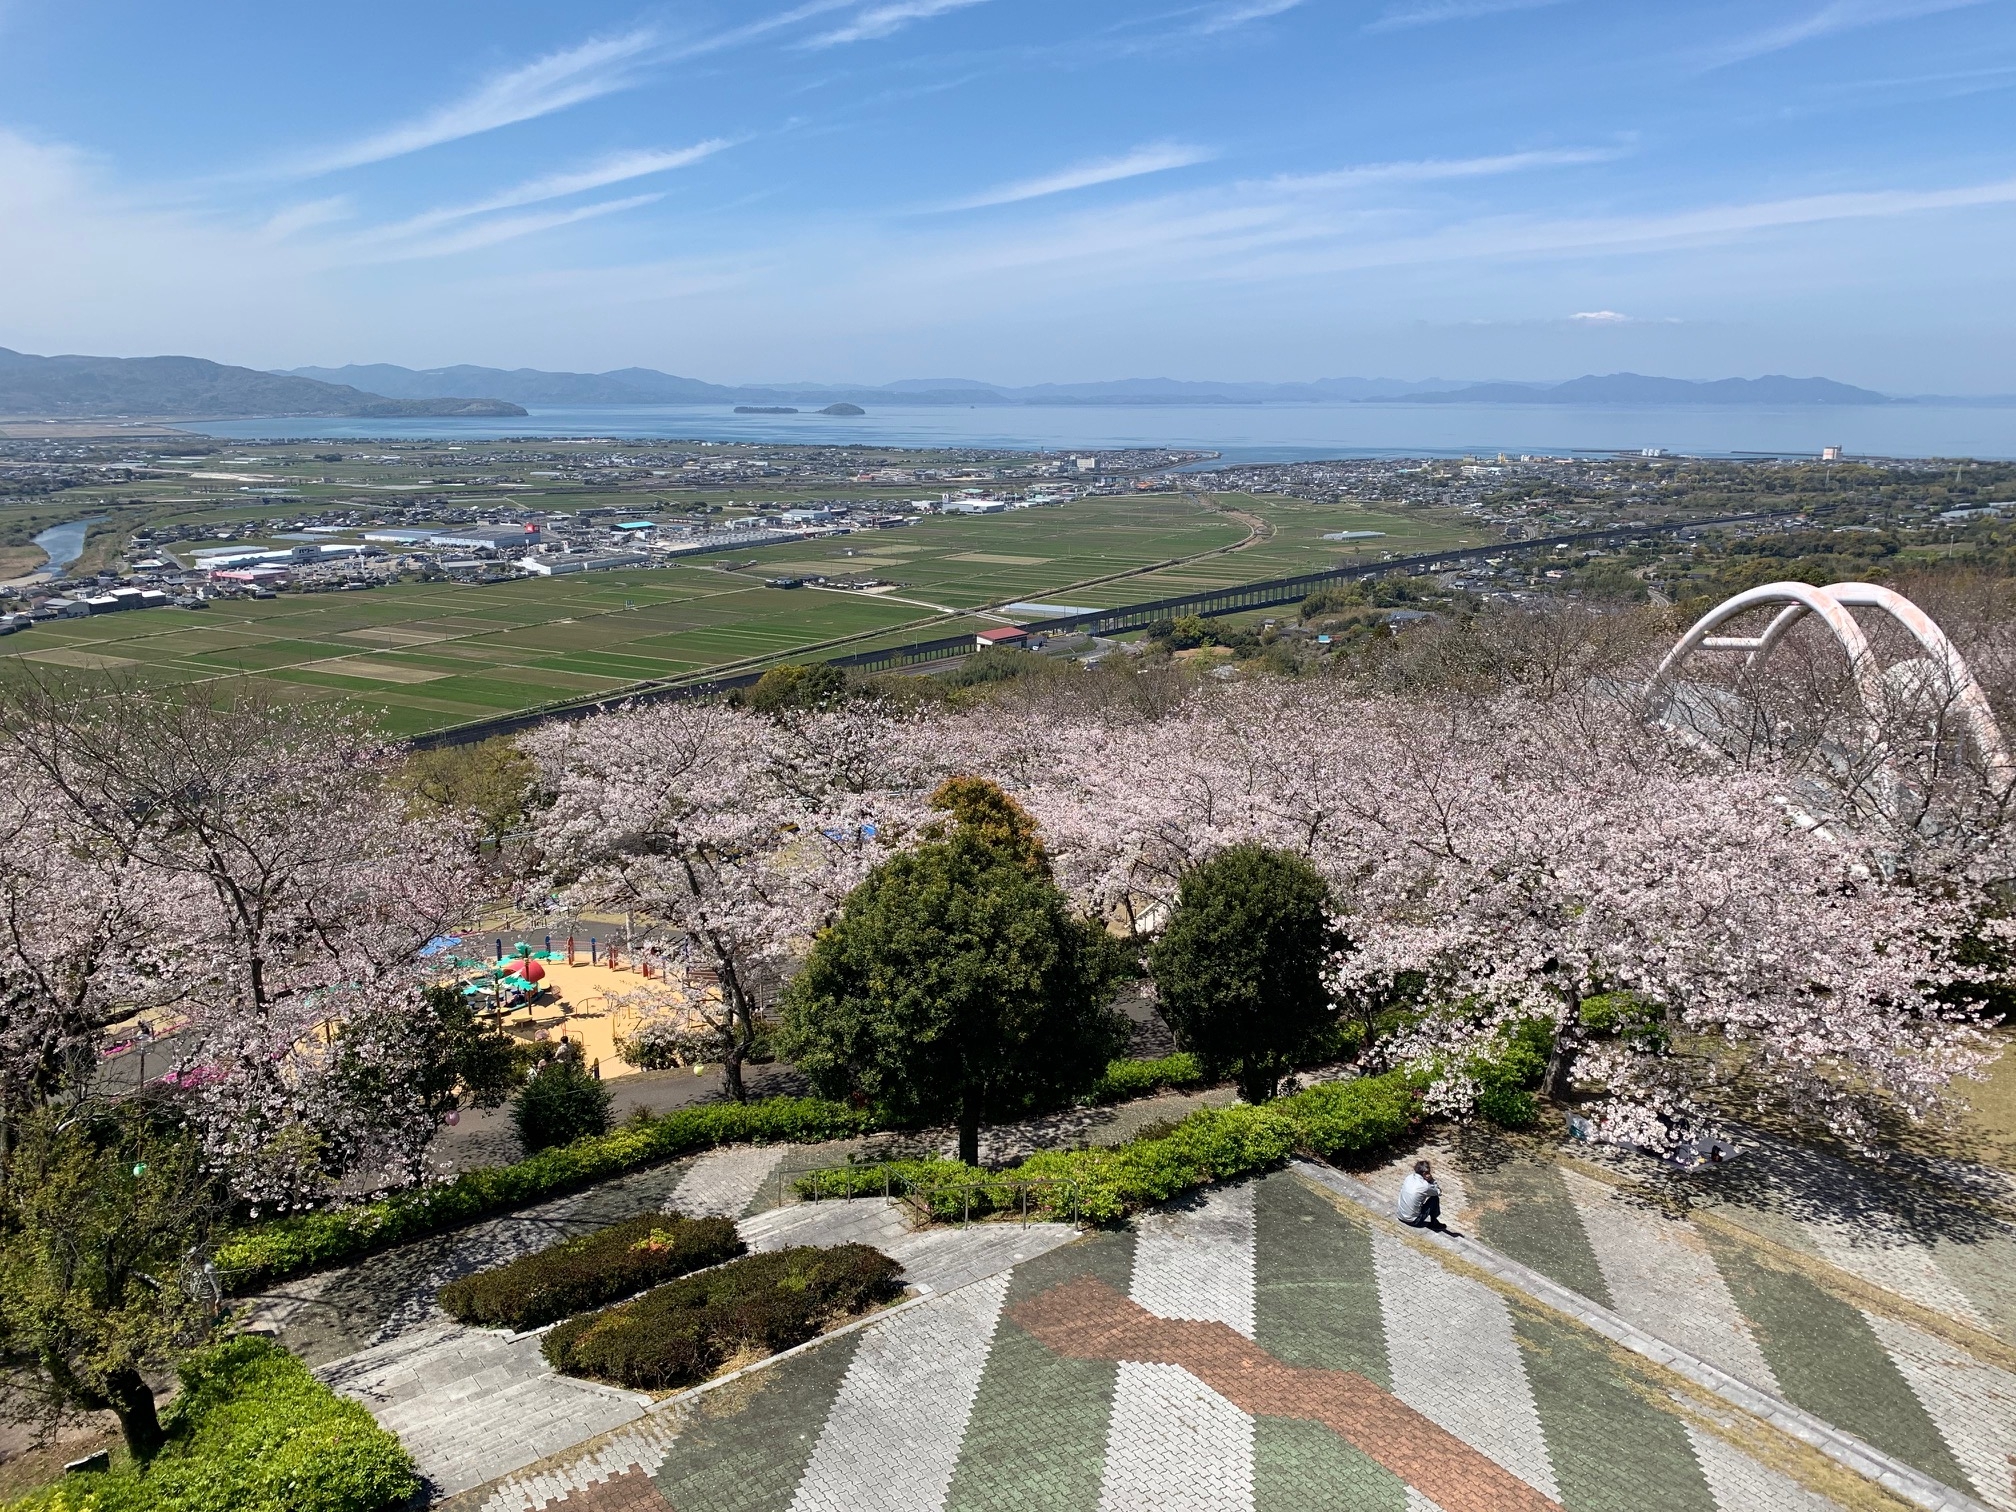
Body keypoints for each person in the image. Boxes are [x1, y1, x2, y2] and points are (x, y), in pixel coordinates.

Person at [1396, 1159, 1443, 1230]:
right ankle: (1434, 1223)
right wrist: (1431, 1180)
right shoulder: (1425, 1186)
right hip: (1413, 1220)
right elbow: (1438, 1192)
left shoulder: (1409, 1177)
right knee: (1434, 1199)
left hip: (1400, 1215)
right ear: (1424, 1173)